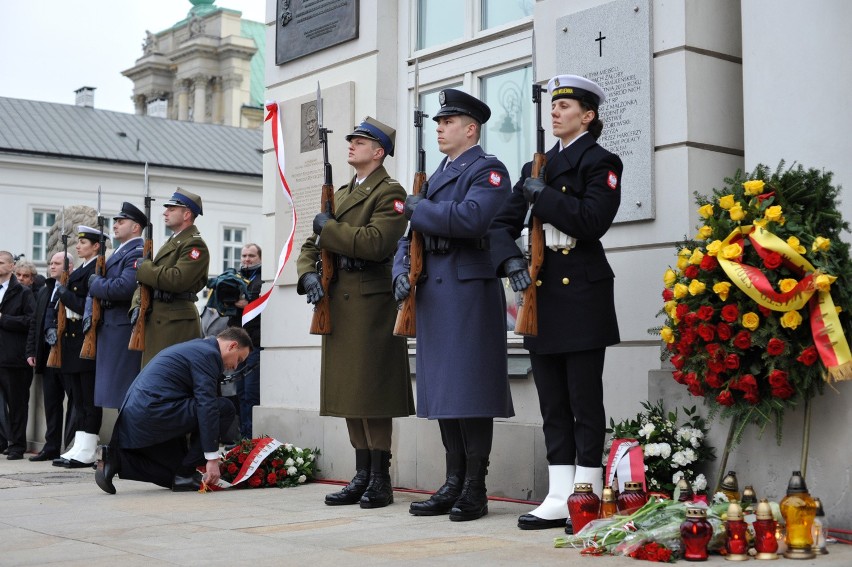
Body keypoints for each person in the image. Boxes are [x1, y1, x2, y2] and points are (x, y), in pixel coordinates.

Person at [490, 74, 622, 532]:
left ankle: (585, 496)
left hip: (582, 293)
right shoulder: (535, 167)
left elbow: (591, 221)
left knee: (584, 401)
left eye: (565, 106)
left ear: (587, 116)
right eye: (553, 105)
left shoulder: (602, 162)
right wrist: (509, 263)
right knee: (552, 403)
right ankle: (558, 493)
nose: (556, 111)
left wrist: (542, 195)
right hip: (541, 295)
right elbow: (499, 227)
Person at [391, 90, 513, 521]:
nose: (439, 128)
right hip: (434, 292)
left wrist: (420, 209)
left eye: (448, 122)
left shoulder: (488, 170)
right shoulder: (436, 175)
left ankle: (475, 488)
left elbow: (472, 219)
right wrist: (400, 271)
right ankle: (453, 481)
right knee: (445, 392)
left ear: (470, 129)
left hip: (467, 290)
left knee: (471, 391)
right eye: (438, 123)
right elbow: (408, 238)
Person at [297, 117, 414, 509]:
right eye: (350, 140)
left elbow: (377, 242)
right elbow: (312, 245)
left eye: (360, 141)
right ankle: (361, 473)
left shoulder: (390, 192)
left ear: (378, 152)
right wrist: (306, 277)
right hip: (338, 299)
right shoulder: (343, 192)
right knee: (349, 392)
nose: (351, 145)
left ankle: (381, 478)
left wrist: (328, 230)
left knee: (372, 392)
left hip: (370, 301)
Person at [94, 327, 251, 494]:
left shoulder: (200, 348)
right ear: (232, 346)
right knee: (224, 408)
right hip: (152, 413)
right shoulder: (208, 354)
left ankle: (116, 459)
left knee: (175, 475)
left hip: (144, 416)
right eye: (239, 360)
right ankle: (187, 473)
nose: (235, 366)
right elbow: (207, 406)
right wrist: (211, 459)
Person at [131, 188, 210, 367]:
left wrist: (144, 268)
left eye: (171, 209)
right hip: (159, 318)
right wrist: (136, 305)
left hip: (175, 323)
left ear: (186, 214)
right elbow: (145, 283)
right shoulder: (174, 242)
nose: (165, 213)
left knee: (168, 378)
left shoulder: (194, 244)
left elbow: (178, 279)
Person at [85, 202, 146, 410]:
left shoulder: (137, 251)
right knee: (111, 391)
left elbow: (124, 287)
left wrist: (96, 285)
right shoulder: (121, 251)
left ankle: (125, 440)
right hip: (111, 326)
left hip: (121, 327)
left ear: (136, 227)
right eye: (116, 221)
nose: (116, 225)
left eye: (121, 221)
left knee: (122, 390)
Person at [53, 226, 105, 468]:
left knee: (88, 396)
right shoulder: (81, 270)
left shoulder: (96, 269)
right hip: (72, 339)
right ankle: (80, 444)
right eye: (78, 241)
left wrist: (64, 294)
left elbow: (89, 306)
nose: (78, 245)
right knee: (77, 397)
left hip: (87, 337)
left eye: (84, 242)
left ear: (96, 246)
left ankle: (88, 447)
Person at [26, 252, 76, 461]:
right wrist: (31, 351)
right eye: (50, 263)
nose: (51, 266)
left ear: (69, 267)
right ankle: (52, 446)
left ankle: (71, 447)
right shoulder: (46, 290)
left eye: (57, 263)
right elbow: (35, 323)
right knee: (52, 404)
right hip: (48, 355)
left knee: (75, 403)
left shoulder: (74, 288)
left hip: (70, 354)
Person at [0, 250, 36, 460]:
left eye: (1, 262)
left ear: (11, 266)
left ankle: (17, 445)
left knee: (17, 404)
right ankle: (2, 441)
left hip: (14, 358)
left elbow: (31, 321)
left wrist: (4, 319)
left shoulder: (22, 292)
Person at [228, 243, 263, 439]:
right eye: (244, 256)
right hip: (237, 344)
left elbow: (263, 310)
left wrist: (248, 304)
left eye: (251, 256)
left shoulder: (262, 280)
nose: (246, 259)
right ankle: (243, 438)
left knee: (251, 394)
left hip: (254, 345)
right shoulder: (234, 278)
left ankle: (251, 439)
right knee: (240, 393)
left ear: (260, 258)